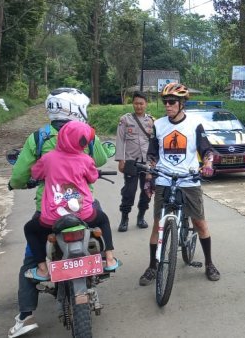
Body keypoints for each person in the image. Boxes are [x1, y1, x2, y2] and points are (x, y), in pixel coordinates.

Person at [7, 88, 108, 338]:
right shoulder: (86, 135)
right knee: (100, 219)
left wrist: (17, 183)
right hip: (82, 210)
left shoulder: (39, 137)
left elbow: (21, 174)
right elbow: (101, 161)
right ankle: (105, 258)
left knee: (31, 257)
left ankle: (26, 314)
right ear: (76, 109)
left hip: (49, 211)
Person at [138, 82, 221, 286]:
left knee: (199, 223)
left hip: (189, 179)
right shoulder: (158, 125)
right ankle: (152, 266)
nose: (167, 105)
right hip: (165, 178)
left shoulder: (194, 124)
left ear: (182, 103)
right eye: (165, 101)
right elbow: (152, 154)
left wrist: (208, 163)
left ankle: (209, 263)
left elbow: (207, 150)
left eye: (172, 101)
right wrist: (150, 176)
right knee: (158, 225)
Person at [25, 120, 119, 281]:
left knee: (30, 229)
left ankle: (42, 269)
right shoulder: (85, 160)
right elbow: (92, 177)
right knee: (103, 219)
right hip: (83, 214)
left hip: (53, 218)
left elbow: (35, 173)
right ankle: (109, 258)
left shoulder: (48, 159)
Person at [115, 91, 155, 232]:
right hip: (131, 161)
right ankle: (124, 218)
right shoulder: (125, 120)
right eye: (136, 103)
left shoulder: (151, 121)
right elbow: (120, 140)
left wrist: (155, 162)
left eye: (141, 103)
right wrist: (121, 159)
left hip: (148, 162)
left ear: (146, 104)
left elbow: (154, 142)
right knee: (129, 192)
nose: (139, 106)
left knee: (146, 191)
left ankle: (141, 216)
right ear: (133, 104)